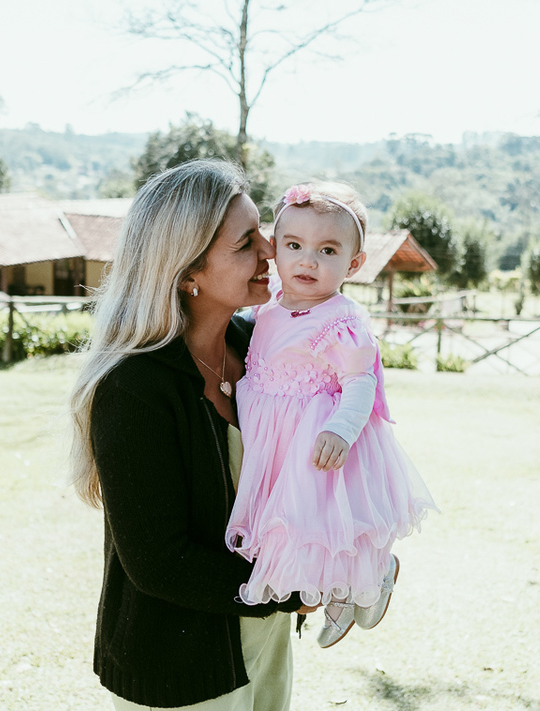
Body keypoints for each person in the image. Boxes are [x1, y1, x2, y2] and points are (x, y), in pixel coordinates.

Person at [68, 160, 311, 711]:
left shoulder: (260, 347)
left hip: (264, 642)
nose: (271, 251)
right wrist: (289, 588)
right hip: (182, 668)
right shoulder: (134, 386)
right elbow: (159, 561)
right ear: (186, 272)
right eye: (246, 242)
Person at [226, 181, 437, 648]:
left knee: (324, 525)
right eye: (294, 246)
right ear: (274, 249)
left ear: (353, 264)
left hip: (316, 439)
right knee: (290, 528)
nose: (308, 261)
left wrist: (341, 429)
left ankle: (363, 580)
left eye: (327, 250)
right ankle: (343, 588)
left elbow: (361, 383)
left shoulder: (341, 321)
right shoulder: (269, 303)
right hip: (272, 437)